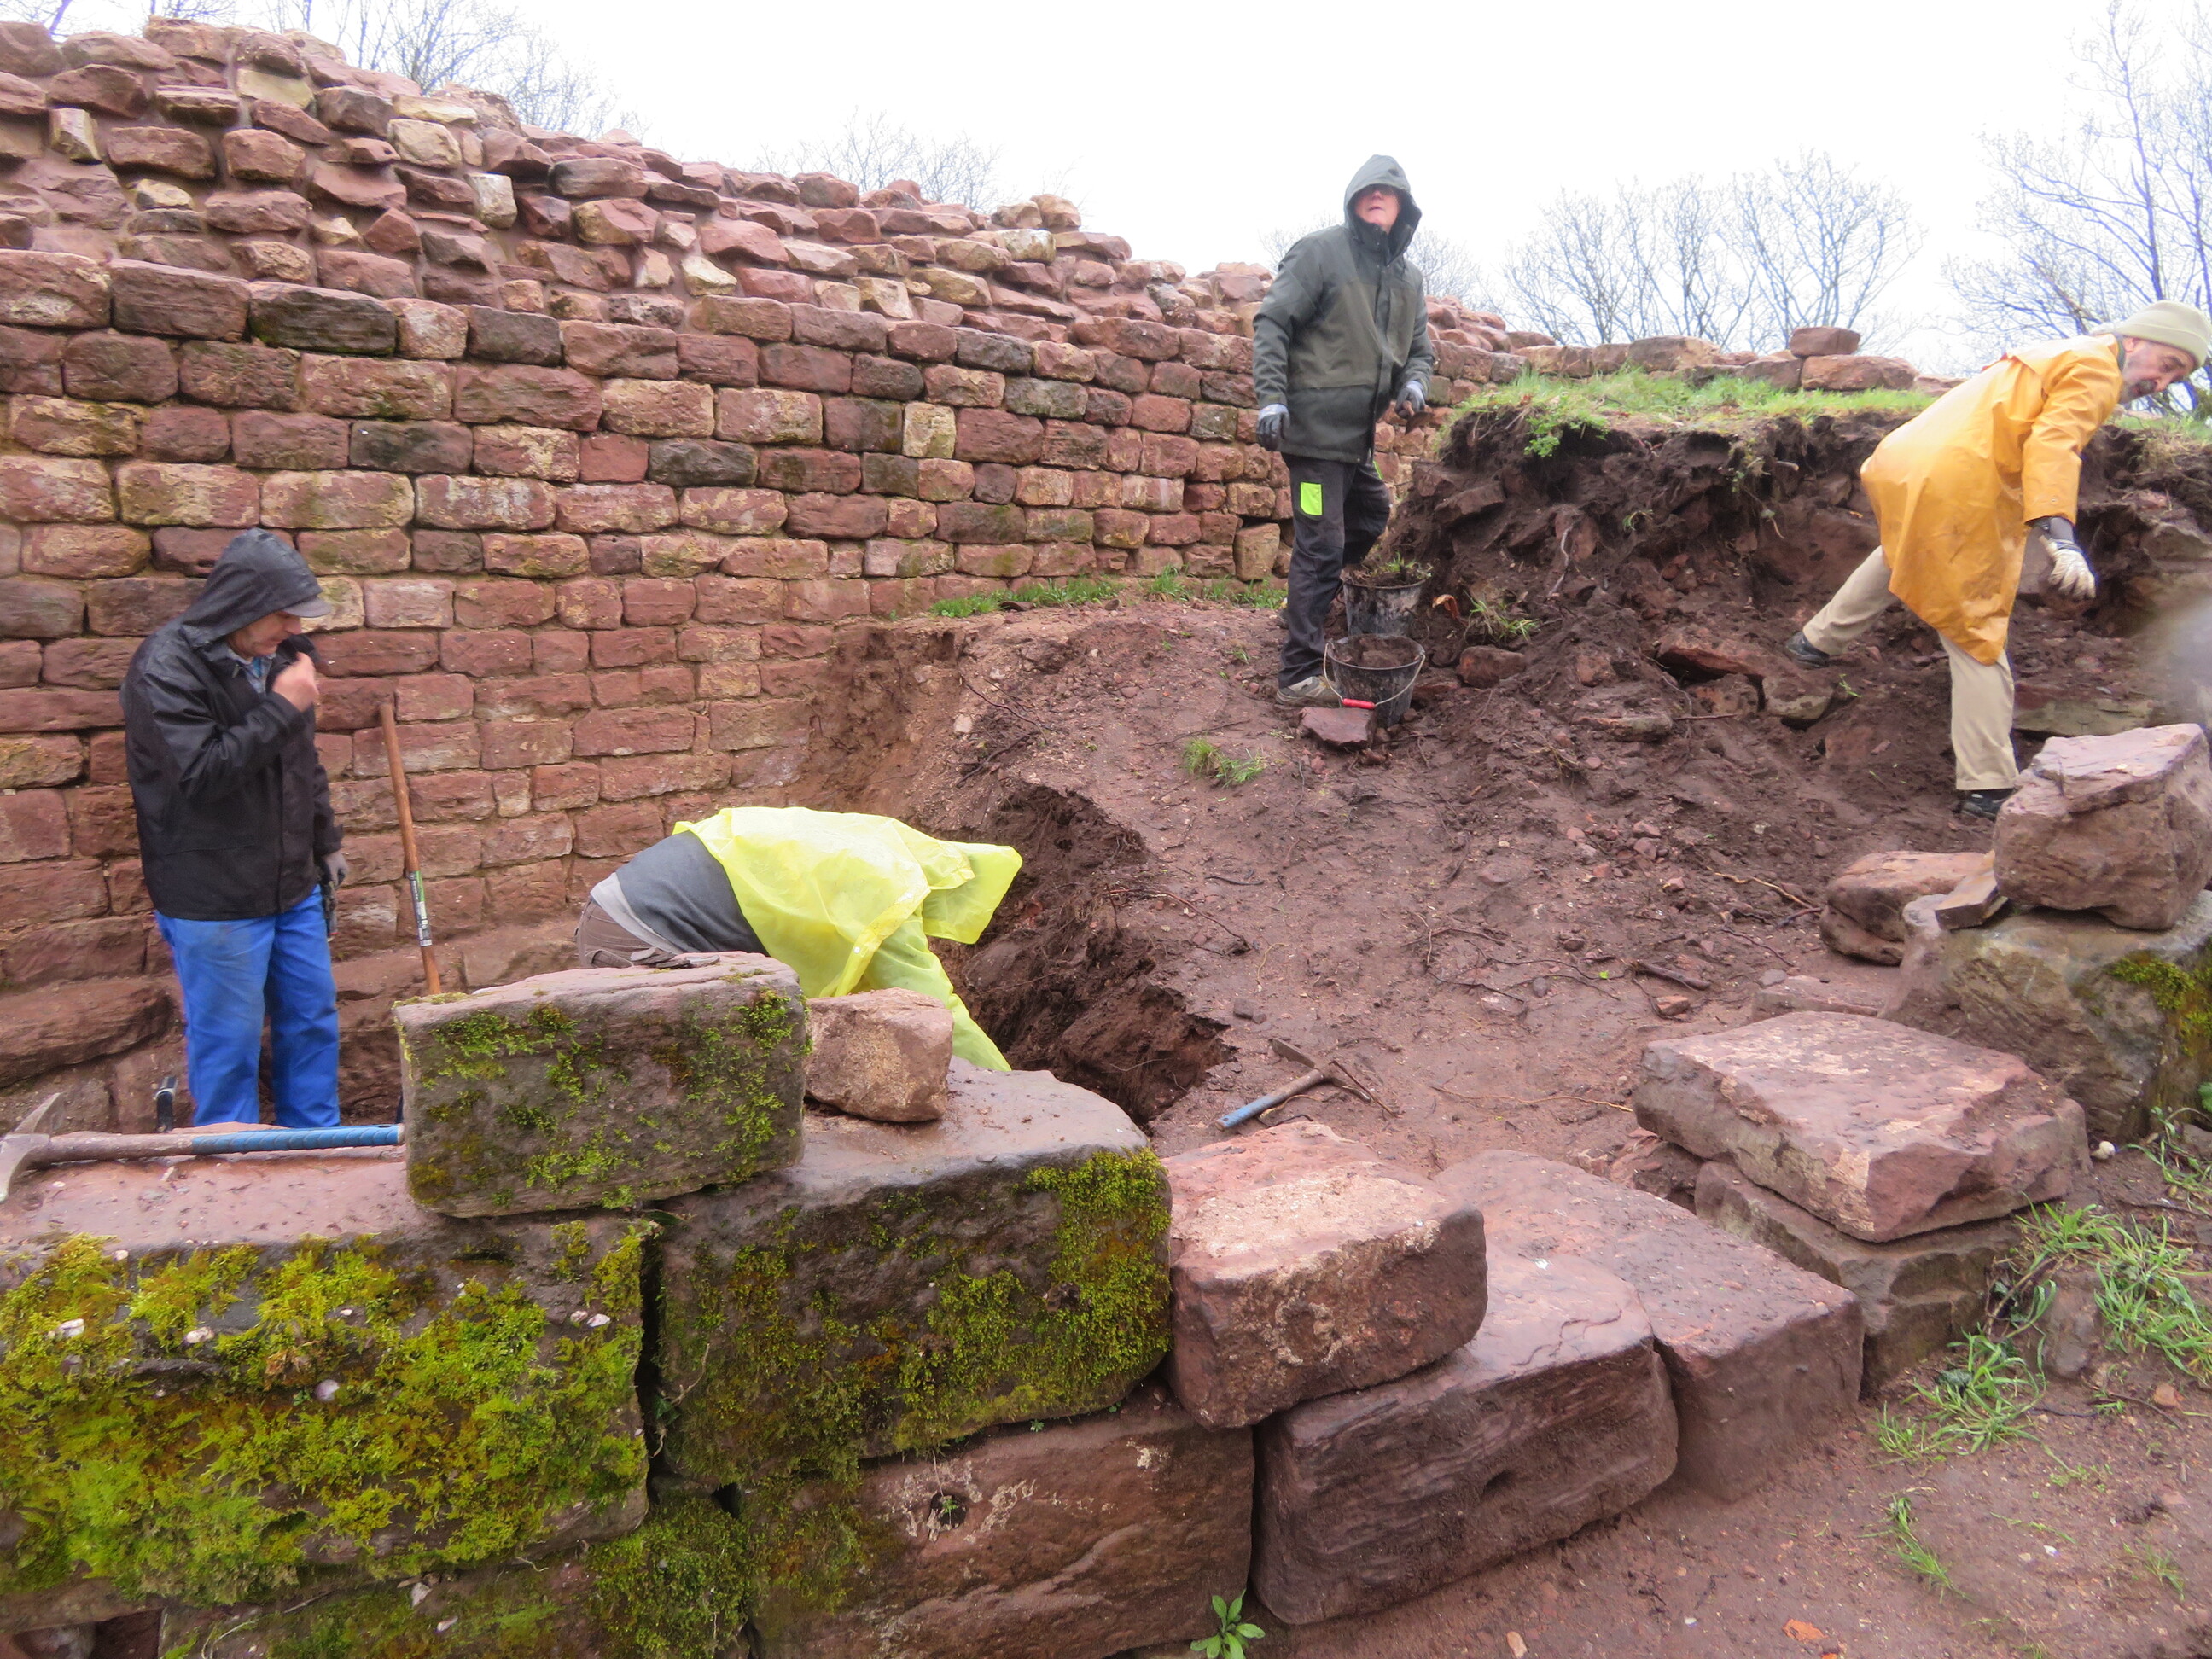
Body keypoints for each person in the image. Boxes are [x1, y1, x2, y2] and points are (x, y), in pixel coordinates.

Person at [1784, 302, 2211, 819]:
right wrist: (2061, 536)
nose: (2161, 382)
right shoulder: (2098, 367)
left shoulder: (2062, 351)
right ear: (2137, 341)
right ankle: (1988, 785)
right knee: (1977, 628)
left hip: (1905, 464)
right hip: (1957, 483)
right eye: (2167, 364)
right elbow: (2055, 446)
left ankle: (1814, 642)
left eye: (2176, 378)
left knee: (1904, 549)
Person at [121, 530, 344, 1128]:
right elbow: (198, 776)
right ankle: (229, 1156)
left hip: (290, 884)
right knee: (229, 1041)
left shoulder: (284, 657)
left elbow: (301, 763)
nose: (293, 627)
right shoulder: (166, 667)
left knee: (312, 1021)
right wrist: (282, 706)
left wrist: (325, 842)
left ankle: (319, 1147)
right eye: (282, 614)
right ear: (241, 606)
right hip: (212, 892)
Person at [577, 806, 1022, 1069]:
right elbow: (934, 1011)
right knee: (728, 1075)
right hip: (646, 937)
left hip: (621, 907)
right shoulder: (889, 888)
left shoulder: (872, 842)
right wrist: (1011, 1088)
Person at [1253, 154, 1435, 708]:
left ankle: (1307, 605)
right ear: (1354, 199)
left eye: (1389, 191)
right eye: (1368, 190)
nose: (1377, 196)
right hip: (1312, 437)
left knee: (1371, 517)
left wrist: (1415, 384)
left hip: (1356, 443)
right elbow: (1273, 323)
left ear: (1404, 208)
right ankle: (1298, 676)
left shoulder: (1408, 279)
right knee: (1321, 546)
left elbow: (1420, 351)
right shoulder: (1320, 253)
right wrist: (1271, 398)